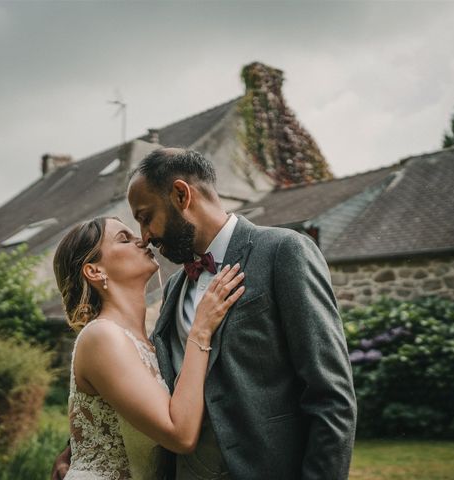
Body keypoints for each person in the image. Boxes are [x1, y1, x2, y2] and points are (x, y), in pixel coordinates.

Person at [54, 147, 357, 480]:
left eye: (145, 217)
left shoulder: (283, 252)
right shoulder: (173, 290)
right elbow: (144, 385)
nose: (146, 237)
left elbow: (331, 396)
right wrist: (83, 449)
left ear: (181, 195)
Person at [51, 216, 245, 479]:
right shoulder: (101, 336)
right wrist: (200, 329)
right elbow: (180, 436)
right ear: (94, 271)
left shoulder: (151, 343)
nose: (142, 240)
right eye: (124, 239)